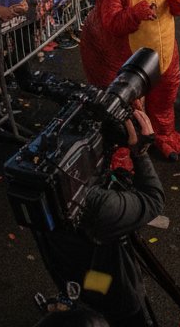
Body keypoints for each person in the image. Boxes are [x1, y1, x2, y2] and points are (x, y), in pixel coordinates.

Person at [33, 104, 165, 327]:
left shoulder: (39, 178)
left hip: (71, 271)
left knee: (87, 288)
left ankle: (75, 301)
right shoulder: (94, 203)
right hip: (112, 290)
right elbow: (153, 200)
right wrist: (140, 154)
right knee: (124, 313)